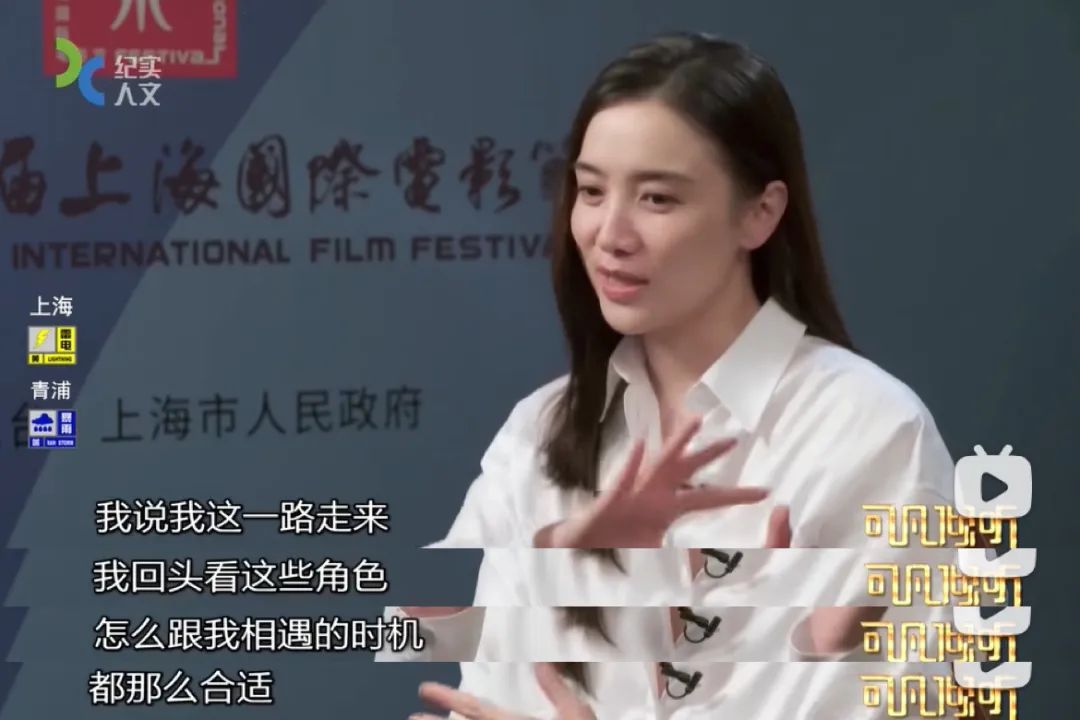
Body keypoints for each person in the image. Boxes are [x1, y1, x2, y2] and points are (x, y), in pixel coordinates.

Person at [381, 32, 966, 719]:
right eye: (591, 191)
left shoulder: (869, 432)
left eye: (657, 199)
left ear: (760, 213)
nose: (610, 234)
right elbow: (484, 684)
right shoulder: (539, 431)